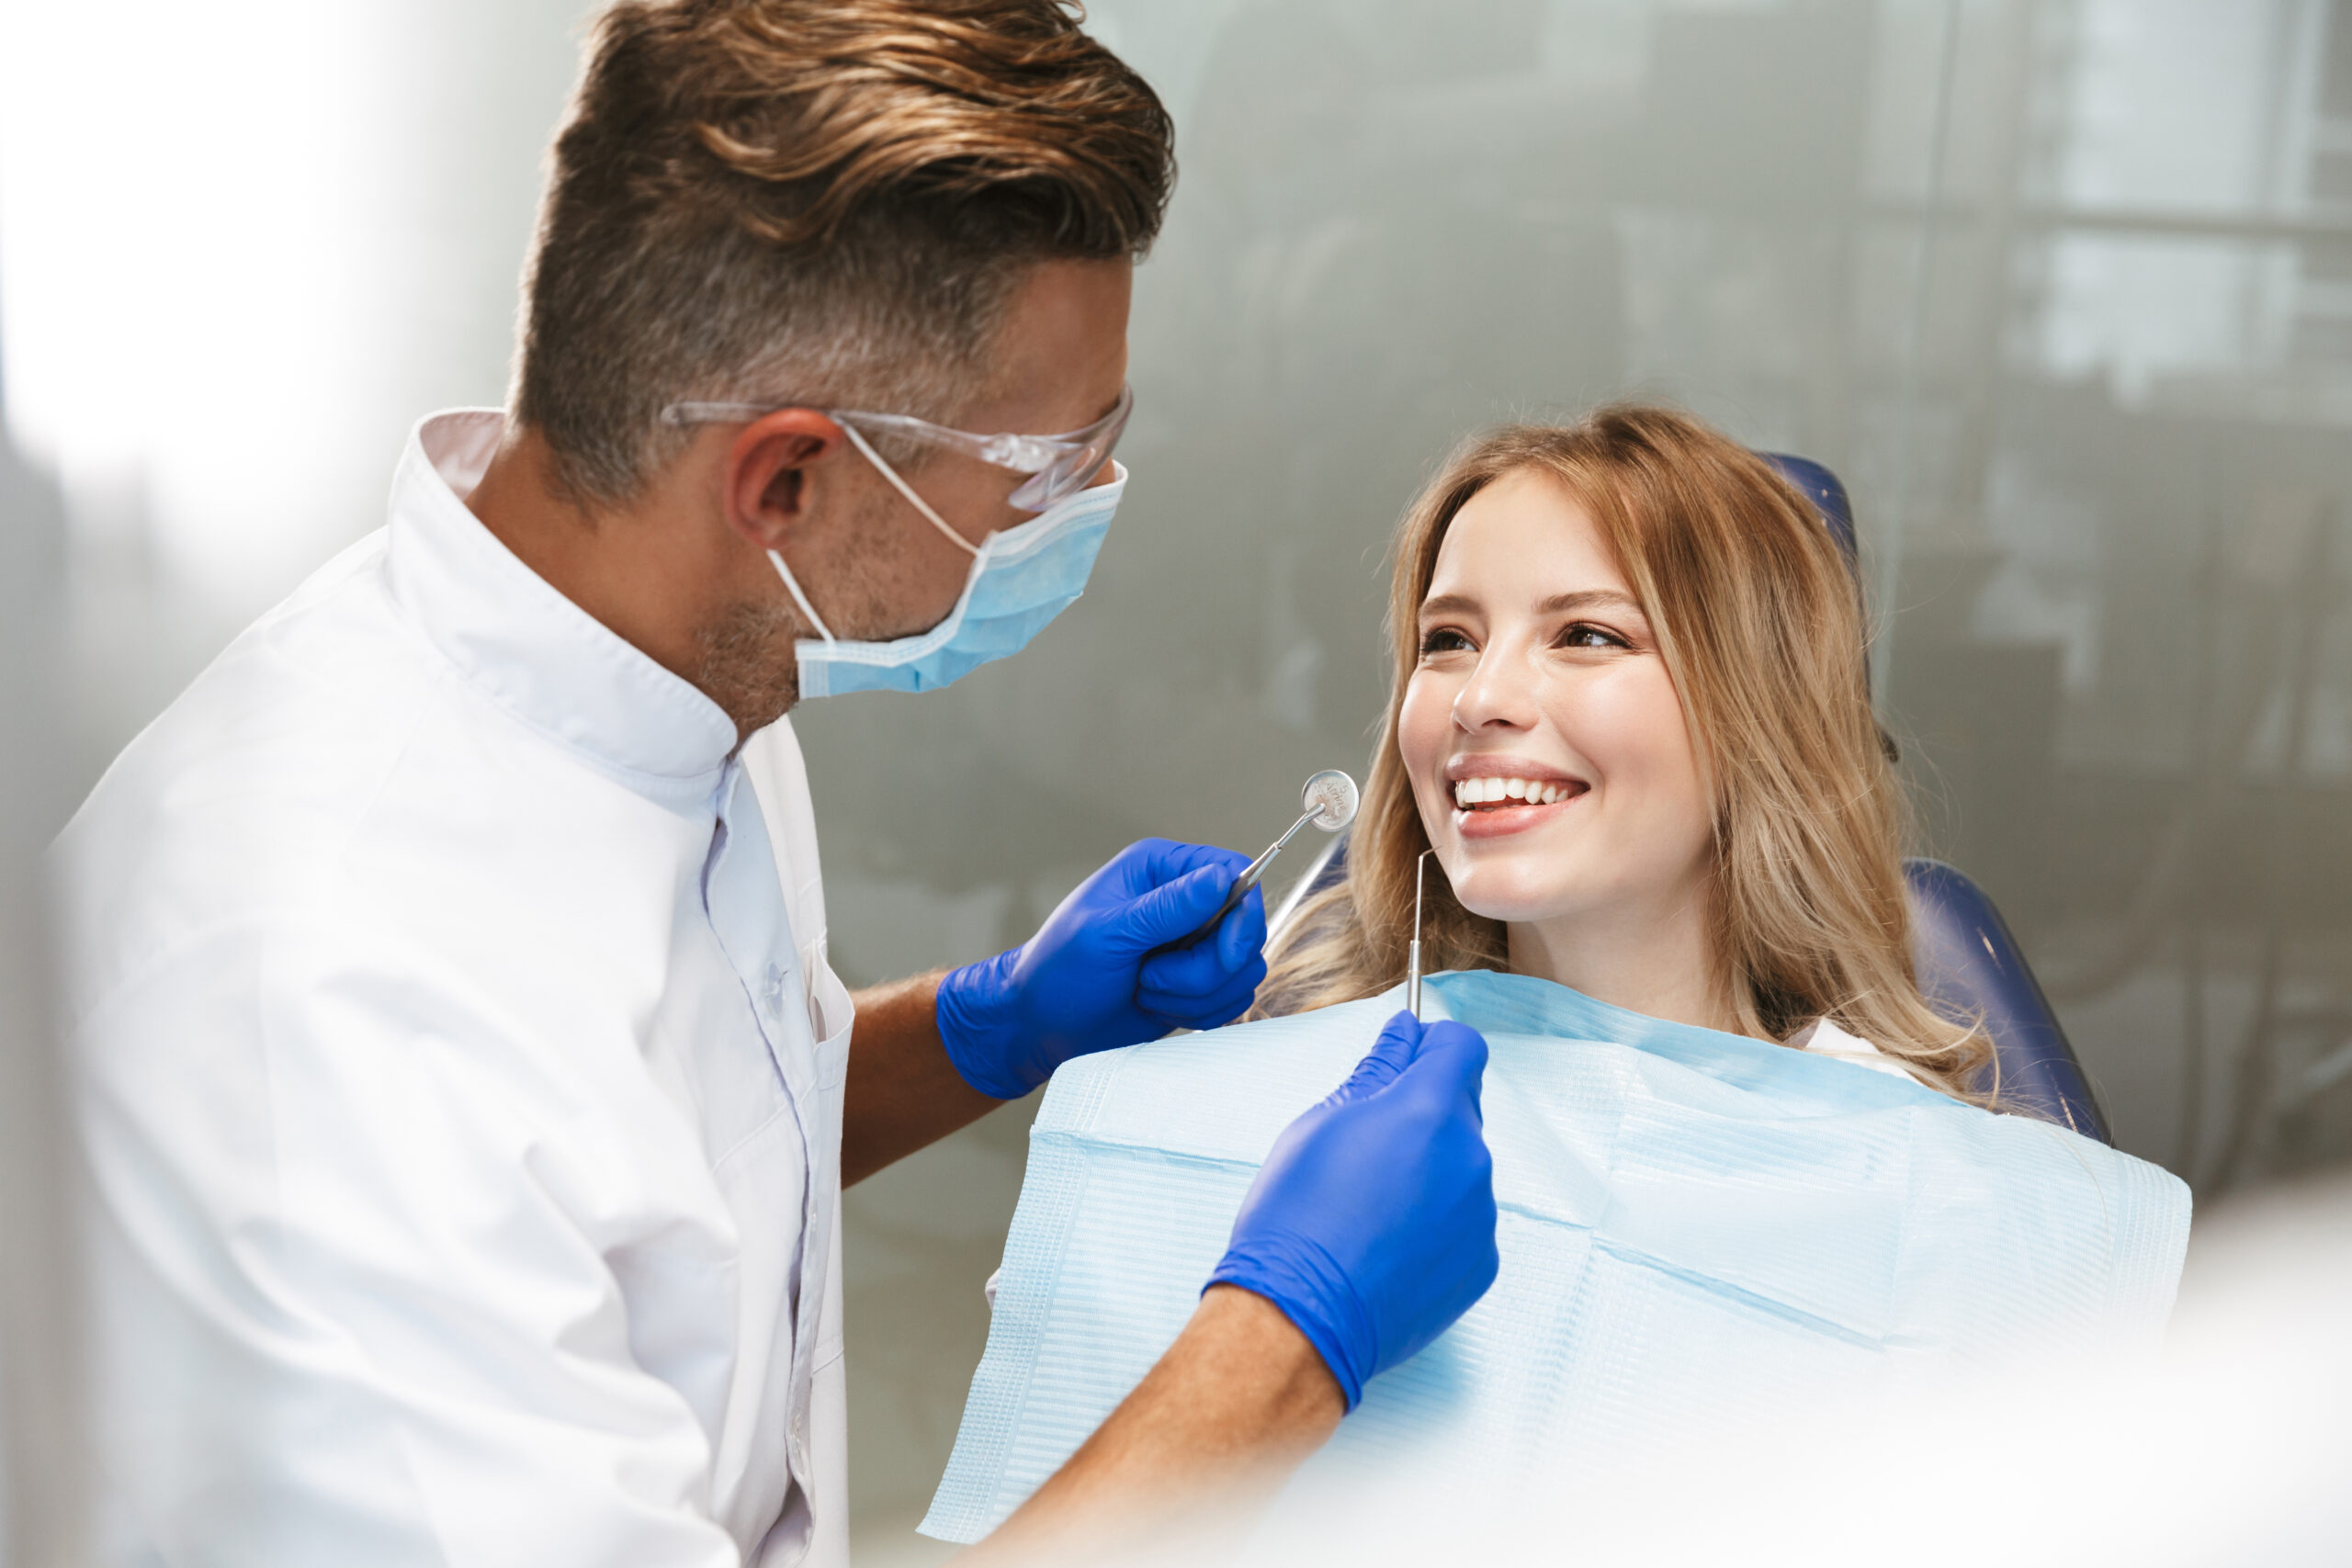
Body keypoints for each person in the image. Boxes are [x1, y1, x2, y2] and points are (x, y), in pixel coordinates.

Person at [51, 5, 1498, 1564]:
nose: (1090, 510)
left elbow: (665, 1155)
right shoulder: (329, 1022)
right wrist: (1289, 1343)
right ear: (787, 479)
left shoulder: (684, 664)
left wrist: (983, 1025)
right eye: (1048, 473)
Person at [1260, 404, 1991, 1090]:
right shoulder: (1302, 1084)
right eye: (1449, 640)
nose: (1478, 700)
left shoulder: (1896, 1161)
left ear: (1759, 716)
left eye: (1586, 636)